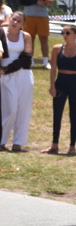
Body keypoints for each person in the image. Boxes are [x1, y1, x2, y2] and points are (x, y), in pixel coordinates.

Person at [45, 24, 76, 156]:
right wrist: (52, 86)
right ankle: (54, 145)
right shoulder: (57, 49)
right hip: (61, 82)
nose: (65, 35)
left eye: (68, 33)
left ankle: (72, 146)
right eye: (63, 33)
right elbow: (53, 69)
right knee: (57, 114)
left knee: (74, 115)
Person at [1, 12, 34, 152]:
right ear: (9, 19)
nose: (15, 22)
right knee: (10, 108)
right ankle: (2, 140)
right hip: (5, 76)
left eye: (18, 21)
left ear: (22, 24)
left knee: (23, 109)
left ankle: (18, 142)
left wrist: (7, 69)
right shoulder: (1, 32)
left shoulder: (26, 36)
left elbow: (26, 57)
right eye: (13, 19)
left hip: (23, 74)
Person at [17, 0, 53, 68]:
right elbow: (23, 1)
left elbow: (51, 1)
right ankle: (30, 60)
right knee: (29, 38)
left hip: (43, 16)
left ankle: (46, 62)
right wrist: (36, 1)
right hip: (29, 15)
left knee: (44, 39)